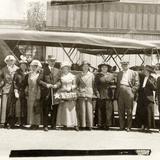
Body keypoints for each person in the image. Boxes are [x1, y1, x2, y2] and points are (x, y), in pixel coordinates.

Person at [37, 55, 61, 131]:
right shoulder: (43, 70)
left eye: (54, 61)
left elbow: (60, 81)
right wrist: (46, 85)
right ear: (48, 61)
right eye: (51, 61)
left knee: (55, 109)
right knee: (46, 109)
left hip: (55, 93)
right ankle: (45, 125)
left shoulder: (58, 70)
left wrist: (57, 85)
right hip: (46, 93)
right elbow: (39, 81)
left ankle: (53, 125)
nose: (52, 62)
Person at [115, 59, 139, 132]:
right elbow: (117, 84)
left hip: (129, 90)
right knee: (120, 109)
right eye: (123, 65)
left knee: (129, 110)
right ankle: (121, 126)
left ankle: (129, 126)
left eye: (126, 65)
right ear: (121, 65)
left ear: (128, 65)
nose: (124, 66)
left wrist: (132, 91)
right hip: (120, 91)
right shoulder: (119, 73)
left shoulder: (134, 73)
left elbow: (137, 83)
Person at [6, 57, 28, 128]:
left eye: (24, 64)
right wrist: (15, 91)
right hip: (17, 91)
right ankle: (12, 123)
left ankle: (22, 123)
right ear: (20, 65)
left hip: (24, 92)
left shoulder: (28, 73)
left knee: (23, 107)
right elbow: (14, 82)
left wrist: (27, 90)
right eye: (22, 64)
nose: (23, 66)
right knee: (14, 107)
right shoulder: (17, 72)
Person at [55, 61, 78, 131]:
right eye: (64, 68)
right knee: (63, 108)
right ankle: (63, 123)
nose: (65, 69)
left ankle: (73, 124)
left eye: (66, 68)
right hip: (63, 92)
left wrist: (71, 88)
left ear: (69, 69)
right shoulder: (61, 76)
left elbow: (75, 84)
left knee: (71, 108)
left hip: (70, 92)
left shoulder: (72, 76)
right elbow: (59, 83)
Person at [77, 60, 97, 130]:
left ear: (88, 67)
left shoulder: (92, 75)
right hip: (81, 93)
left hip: (89, 93)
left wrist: (94, 93)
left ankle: (90, 125)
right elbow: (76, 85)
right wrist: (79, 90)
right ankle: (82, 125)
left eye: (87, 66)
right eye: (84, 66)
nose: (85, 67)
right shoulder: (79, 75)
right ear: (81, 67)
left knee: (89, 109)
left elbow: (94, 85)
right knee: (82, 109)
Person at [136, 65, 156, 133]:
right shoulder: (141, 77)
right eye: (145, 71)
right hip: (141, 97)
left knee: (148, 113)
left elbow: (155, 88)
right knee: (141, 112)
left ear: (150, 72)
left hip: (148, 98)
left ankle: (148, 127)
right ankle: (142, 126)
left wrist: (150, 82)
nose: (146, 72)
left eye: (147, 71)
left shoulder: (152, 78)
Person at [95, 63, 115, 130]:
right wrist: (97, 93)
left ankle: (107, 124)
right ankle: (100, 124)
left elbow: (111, 81)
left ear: (108, 68)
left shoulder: (111, 75)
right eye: (102, 67)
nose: (104, 68)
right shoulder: (98, 75)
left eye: (105, 67)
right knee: (100, 109)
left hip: (108, 94)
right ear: (100, 68)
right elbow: (95, 85)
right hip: (100, 93)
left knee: (108, 110)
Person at [0, 55, 18, 127]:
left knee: (13, 107)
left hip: (14, 90)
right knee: (4, 106)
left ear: (14, 61)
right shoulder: (3, 69)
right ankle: (3, 122)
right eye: (8, 61)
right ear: (6, 61)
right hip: (6, 89)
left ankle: (12, 122)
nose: (9, 62)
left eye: (11, 60)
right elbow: (1, 79)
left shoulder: (17, 69)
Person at [27, 60, 42, 129]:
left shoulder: (39, 75)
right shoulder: (29, 74)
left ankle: (37, 123)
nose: (33, 68)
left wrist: (38, 94)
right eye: (32, 66)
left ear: (38, 67)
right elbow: (27, 84)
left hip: (36, 92)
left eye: (35, 66)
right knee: (31, 108)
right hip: (30, 93)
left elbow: (39, 85)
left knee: (36, 108)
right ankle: (32, 123)